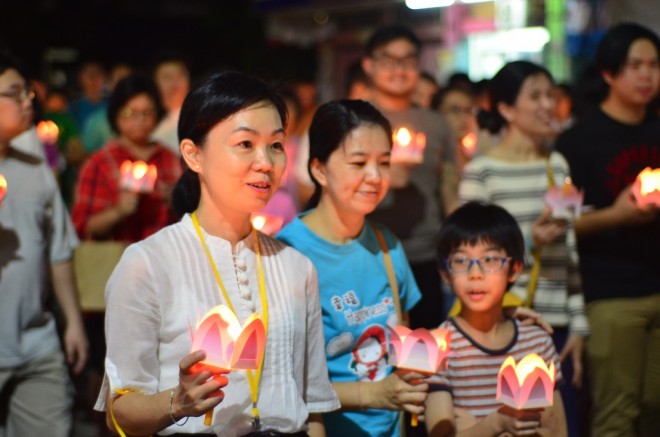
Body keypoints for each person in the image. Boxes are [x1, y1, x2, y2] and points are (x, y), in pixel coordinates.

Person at [94, 71, 339, 436]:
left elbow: (313, 404)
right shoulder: (147, 263)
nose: (266, 163)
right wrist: (178, 402)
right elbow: (120, 412)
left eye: (275, 145)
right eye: (245, 144)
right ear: (193, 155)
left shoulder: (296, 267)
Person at [277, 99, 427, 437]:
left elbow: (403, 339)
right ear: (318, 169)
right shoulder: (289, 255)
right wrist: (371, 394)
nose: (374, 177)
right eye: (358, 163)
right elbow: (281, 378)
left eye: (384, 163)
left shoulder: (387, 244)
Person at [459, 60, 588, 437]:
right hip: (505, 325)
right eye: (535, 96)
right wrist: (531, 242)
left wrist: (578, 325)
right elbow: (469, 256)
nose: (548, 104)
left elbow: (570, 250)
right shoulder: (482, 171)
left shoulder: (557, 165)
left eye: (551, 94)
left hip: (556, 328)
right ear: (506, 108)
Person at [555, 22, 660, 437]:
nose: (647, 75)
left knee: (655, 409)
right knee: (617, 412)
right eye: (635, 65)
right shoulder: (578, 142)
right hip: (610, 294)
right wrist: (617, 216)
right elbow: (561, 226)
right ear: (608, 72)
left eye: (654, 65)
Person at [71, 73, 182, 435]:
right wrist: (119, 211)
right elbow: (83, 225)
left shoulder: (170, 162)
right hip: (113, 281)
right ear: (116, 116)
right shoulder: (100, 163)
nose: (140, 121)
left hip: (166, 279)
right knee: (116, 368)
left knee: (161, 360)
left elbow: (192, 214)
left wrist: (175, 198)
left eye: (148, 113)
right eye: (131, 113)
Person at [0, 50, 88, 436]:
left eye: (28, 94)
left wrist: (71, 321)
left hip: (37, 342)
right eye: (15, 93)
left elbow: (57, 251)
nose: (27, 102)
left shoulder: (37, 170)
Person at [425, 202, 567, 437]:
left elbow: (556, 430)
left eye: (490, 260)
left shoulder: (536, 342)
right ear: (445, 273)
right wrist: (496, 424)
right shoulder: (437, 348)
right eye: (460, 261)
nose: (475, 273)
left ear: (514, 269)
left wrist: (473, 428)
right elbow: (440, 432)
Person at [361, 24, 458, 332]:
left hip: (425, 253)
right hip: (368, 251)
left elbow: (450, 187)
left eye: (408, 61)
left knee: (425, 346)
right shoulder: (354, 119)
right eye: (389, 60)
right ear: (369, 65)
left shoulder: (437, 124)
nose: (399, 69)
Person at [151, 54, 191, 153]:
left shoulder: (199, 118)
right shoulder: (149, 124)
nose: (174, 83)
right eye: (167, 77)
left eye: (179, 76)